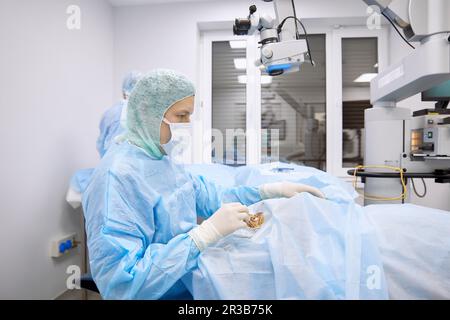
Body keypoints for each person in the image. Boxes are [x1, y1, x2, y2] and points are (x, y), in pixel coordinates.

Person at [82, 69, 325, 300]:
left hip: (185, 281)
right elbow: (121, 285)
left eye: (189, 115)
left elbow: (212, 197)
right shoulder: (116, 177)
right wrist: (203, 236)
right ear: (149, 113)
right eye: (181, 116)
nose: (187, 124)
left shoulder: (162, 160)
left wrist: (271, 190)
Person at [96, 71, 143, 157]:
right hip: (137, 166)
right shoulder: (144, 114)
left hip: (111, 164)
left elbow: (101, 144)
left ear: (124, 90)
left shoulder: (110, 113)